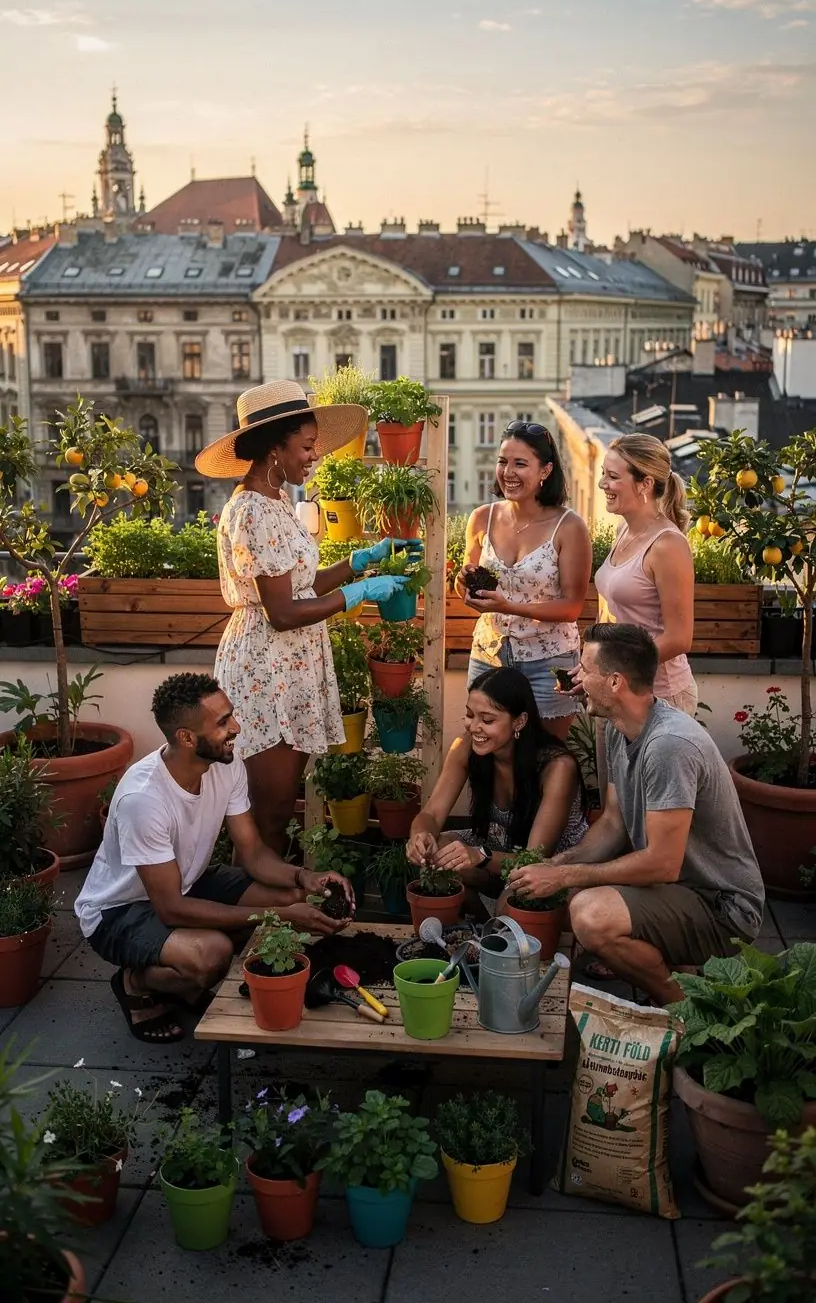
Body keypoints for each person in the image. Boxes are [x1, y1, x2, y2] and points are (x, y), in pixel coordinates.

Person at [75, 673, 355, 1044]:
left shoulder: (225, 766)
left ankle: (188, 981)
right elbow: (171, 908)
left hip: (188, 882)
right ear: (187, 738)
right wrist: (279, 918)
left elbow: (253, 852)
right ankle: (134, 982)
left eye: (231, 716)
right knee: (212, 954)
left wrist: (305, 877)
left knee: (292, 895)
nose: (236, 727)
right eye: (223, 722)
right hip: (120, 910)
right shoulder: (144, 800)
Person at [196, 381, 411, 852]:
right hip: (266, 666)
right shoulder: (252, 510)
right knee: (267, 813)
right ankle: (260, 915)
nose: (315, 457)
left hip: (287, 661)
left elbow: (298, 587)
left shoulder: (278, 501)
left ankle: (267, 910)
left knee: (278, 806)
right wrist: (358, 593)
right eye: (307, 447)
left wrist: (357, 562)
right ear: (275, 447)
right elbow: (283, 613)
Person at [507, 624, 764, 1006]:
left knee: (591, 915)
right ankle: (681, 971)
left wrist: (563, 876)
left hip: (723, 906)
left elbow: (662, 864)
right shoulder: (618, 727)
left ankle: (690, 1012)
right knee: (570, 896)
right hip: (680, 890)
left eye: (584, 669)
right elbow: (613, 823)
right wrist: (556, 864)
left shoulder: (668, 746)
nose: (576, 677)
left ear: (614, 682)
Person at [455, 420, 591, 740]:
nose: (508, 472)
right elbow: (465, 585)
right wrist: (463, 584)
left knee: (546, 756)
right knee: (485, 748)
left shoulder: (569, 526)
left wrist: (510, 606)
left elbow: (572, 607)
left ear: (545, 471)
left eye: (520, 463)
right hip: (489, 653)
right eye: (503, 461)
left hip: (550, 663)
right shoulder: (481, 518)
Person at [406, 667, 587, 905]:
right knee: (438, 854)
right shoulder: (465, 747)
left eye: (488, 719)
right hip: (495, 853)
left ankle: (494, 927)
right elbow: (431, 813)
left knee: (518, 892)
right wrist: (420, 838)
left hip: (546, 870)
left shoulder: (557, 766)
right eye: (470, 715)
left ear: (519, 721)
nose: (474, 727)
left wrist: (479, 856)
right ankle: (479, 927)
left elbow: (536, 857)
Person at [594, 433, 696, 715]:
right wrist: (592, 668)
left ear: (645, 484)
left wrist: (613, 670)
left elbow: (679, 638)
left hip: (658, 698)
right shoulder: (623, 530)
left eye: (613, 476)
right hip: (614, 690)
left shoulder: (668, 545)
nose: (603, 483)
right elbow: (610, 613)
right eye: (604, 473)